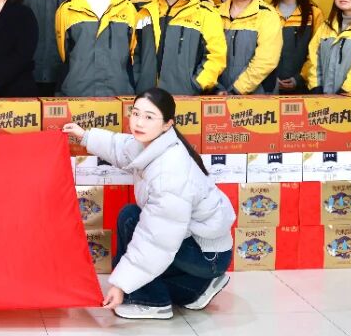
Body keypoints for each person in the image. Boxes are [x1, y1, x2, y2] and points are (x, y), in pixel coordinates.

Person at [63, 88, 234, 320]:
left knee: (132, 220)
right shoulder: (154, 144)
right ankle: (198, 287)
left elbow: (157, 240)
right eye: (135, 113)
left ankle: (152, 301)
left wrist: (121, 285)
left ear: (167, 124)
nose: (139, 122)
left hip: (207, 255)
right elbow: (121, 148)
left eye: (149, 117)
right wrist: (85, 136)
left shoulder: (169, 173)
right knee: (132, 217)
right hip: (197, 245)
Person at [132, 0, 226, 95]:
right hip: (146, 98)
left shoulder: (205, 13)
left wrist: (195, 85)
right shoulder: (145, 13)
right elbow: (134, 55)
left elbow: (216, 56)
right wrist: (138, 82)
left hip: (186, 98)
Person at [55, 0, 139, 96]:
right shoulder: (66, 9)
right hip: (77, 93)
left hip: (119, 94)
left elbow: (133, 55)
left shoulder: (128, 9)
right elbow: (63, 54)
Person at [217, 0, 282, 94]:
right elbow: (208, 56)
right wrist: (217, 89)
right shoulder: (215, 14)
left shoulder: (267, 15)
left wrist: (236, 90)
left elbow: (265, 61)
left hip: (258, 97)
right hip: (219, 96)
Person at [271, 0, 324, 94]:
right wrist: (270, 79)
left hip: (303, 87)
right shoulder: (267, 13)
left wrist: (299, 78)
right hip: (270, 86)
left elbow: (317, 52)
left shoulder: (314, 13)